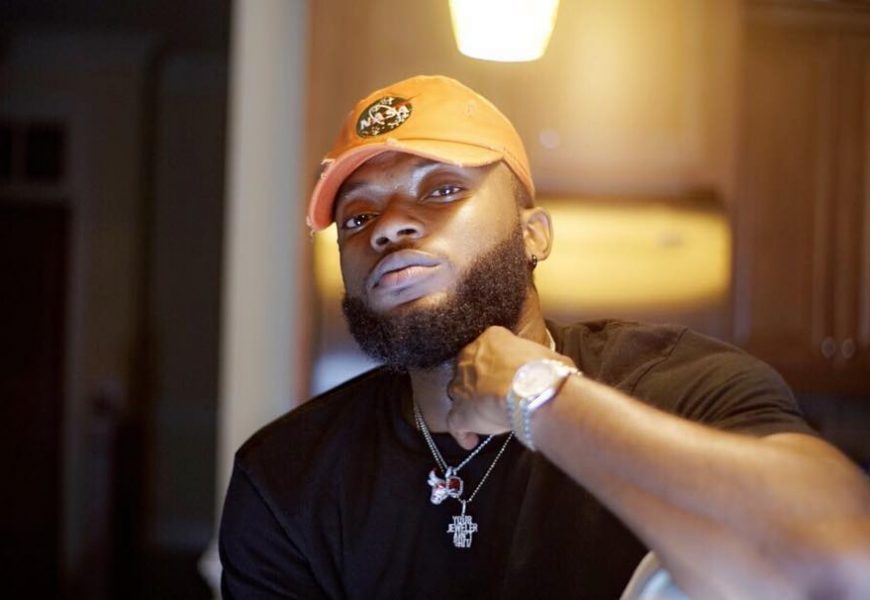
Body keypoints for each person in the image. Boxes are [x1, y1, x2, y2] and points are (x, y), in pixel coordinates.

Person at [219, 75, 870, 599]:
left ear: (533, 235)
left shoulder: (686, 389)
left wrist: (534, 394)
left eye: (441, 189)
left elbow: (841, 562)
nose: (388, 226)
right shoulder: (287, 478)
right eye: (358, 218)